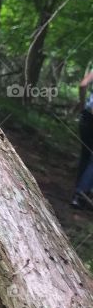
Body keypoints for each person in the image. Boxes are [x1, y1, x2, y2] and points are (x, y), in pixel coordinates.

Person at [71, 68, 93, 210]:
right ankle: (81, 194)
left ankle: (77, 194)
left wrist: (82, 102)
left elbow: (83, 84)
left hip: (87, 116)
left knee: (85, 155)